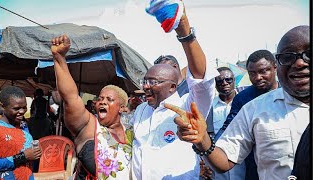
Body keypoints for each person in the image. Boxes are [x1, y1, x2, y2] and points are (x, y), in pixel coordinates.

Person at [166, 25, 310, 180]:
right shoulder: (252, 107)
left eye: (309, 54)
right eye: (288, 57)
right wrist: (203, 140)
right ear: (279, 63)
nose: (300, 63)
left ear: (273, 68)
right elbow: (225, 159)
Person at [131, 1, 218, 179]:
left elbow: (201, 80)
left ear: (172, 86)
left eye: (152, 82)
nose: (145, 86)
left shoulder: (188, 106)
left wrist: (184, 32)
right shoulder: (141, 111)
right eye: (144, 81)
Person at [51, 35, 133, 179]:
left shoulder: (132, 133)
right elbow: (71, 97)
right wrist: (59, 58)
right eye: (100, 99)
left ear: (121, 107)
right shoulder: (89, 127)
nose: (102, 102)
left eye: (109, 99)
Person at [214, 49, 280, 179]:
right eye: (252, 73)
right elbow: (228, 128)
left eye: (263, 71)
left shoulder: (290, 92)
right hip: (255, 167)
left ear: (275, 68)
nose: (257, 77)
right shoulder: (243, 99)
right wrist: (210, 149)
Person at [201, 67, 245, 180]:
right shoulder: (208, 107)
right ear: (215, 85)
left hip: (243, 162)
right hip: (217, 164)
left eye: (228, 80)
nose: (224, 83)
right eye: (219, 81)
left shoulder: (245, 103)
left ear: (234, 80)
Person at [0, 86, 42, 179]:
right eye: (16, 108)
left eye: (24, 107)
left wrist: (36, 152)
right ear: (2, 107)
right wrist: (23, 156)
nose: (22, 111)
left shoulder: (23, 125)